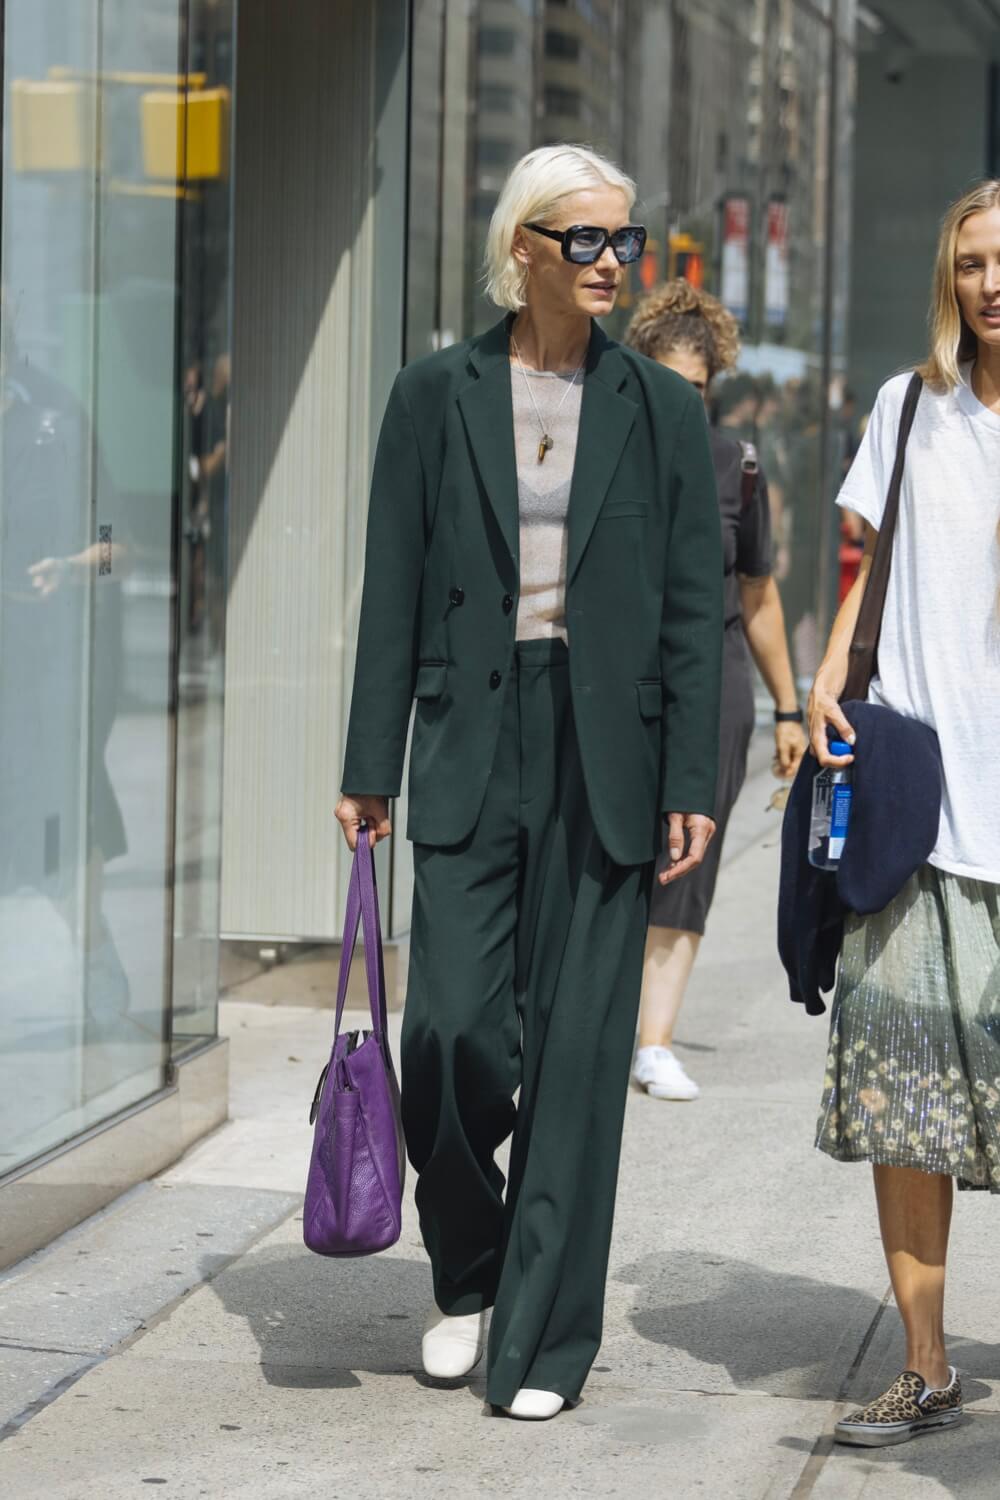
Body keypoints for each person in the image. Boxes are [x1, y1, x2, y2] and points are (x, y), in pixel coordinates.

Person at [334, 145, 724, 1420]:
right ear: (525, 249)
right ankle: (471, 1268)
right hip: (465, 735)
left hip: (604, 746)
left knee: (577, 1048)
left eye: (627, 240)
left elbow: (686, 608)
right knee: (446, 1033)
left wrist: (689, 779)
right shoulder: (433, 394)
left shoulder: (659, 409)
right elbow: (391, 583)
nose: (614, 262)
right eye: (587, 241)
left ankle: (546, 1342)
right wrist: (364, 765)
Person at [809, 179, 1000, 1447]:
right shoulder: (906, 406)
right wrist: (824, 677)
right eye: (975, 262)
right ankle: (925, 1363)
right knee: (901, 1106)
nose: (993, 282)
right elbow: (862, 561)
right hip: (918, 810)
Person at [623, 280, 806, 1100]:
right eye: (666, 381)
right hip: (624, 678)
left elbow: (759, 593)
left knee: (687, 859)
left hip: (720, 677)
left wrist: (790, 707)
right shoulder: (607, 445)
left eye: (695, 388)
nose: (681, 401)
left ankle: (653, 1041)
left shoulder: (735, 463)